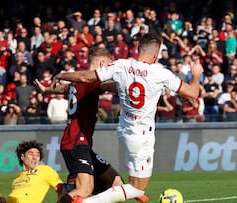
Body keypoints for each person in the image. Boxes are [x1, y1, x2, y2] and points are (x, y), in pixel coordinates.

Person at [53, 33, 203, 202]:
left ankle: (80, 194)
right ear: (155, 55)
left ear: (139, 49)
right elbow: (193, 93)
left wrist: (61, 76)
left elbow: (87, 78)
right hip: (142, 134)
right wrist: (196, 74)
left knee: (124, 184)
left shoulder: (121, 65)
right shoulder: (161, 73)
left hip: (125, 130)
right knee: (137, 188)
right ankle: (87, 202)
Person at [35, 48, 135, 203]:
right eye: (109, 66)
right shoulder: (93, 81)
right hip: (76, 142)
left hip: (82, 143)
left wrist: (47, 91)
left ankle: (67, 190)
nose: (110, 70)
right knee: (85, 190)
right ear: (102, 64)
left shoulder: (78, 82)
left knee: (116, 183)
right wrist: (131, 85)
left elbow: (64, 88)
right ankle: (68, 192)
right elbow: (109, 87)